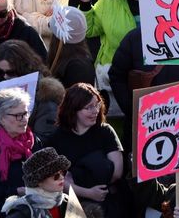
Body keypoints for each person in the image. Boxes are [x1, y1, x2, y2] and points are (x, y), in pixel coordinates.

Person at [42, 83, 122, 213]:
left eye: (97, 104)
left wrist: (77, 178)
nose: (95, 110)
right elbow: (55, 180)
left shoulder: (105, 131)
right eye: (89, 107)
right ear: (73, 110)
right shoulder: (56, 139)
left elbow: (117, 171)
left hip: (109, 200)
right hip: (74, 205)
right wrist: (89, 192)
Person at [1, 148, 83, 218]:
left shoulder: (67, 202)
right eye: (56, 176)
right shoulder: (23, 212)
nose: (62, 177)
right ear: (39, 181)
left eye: (63, 173)